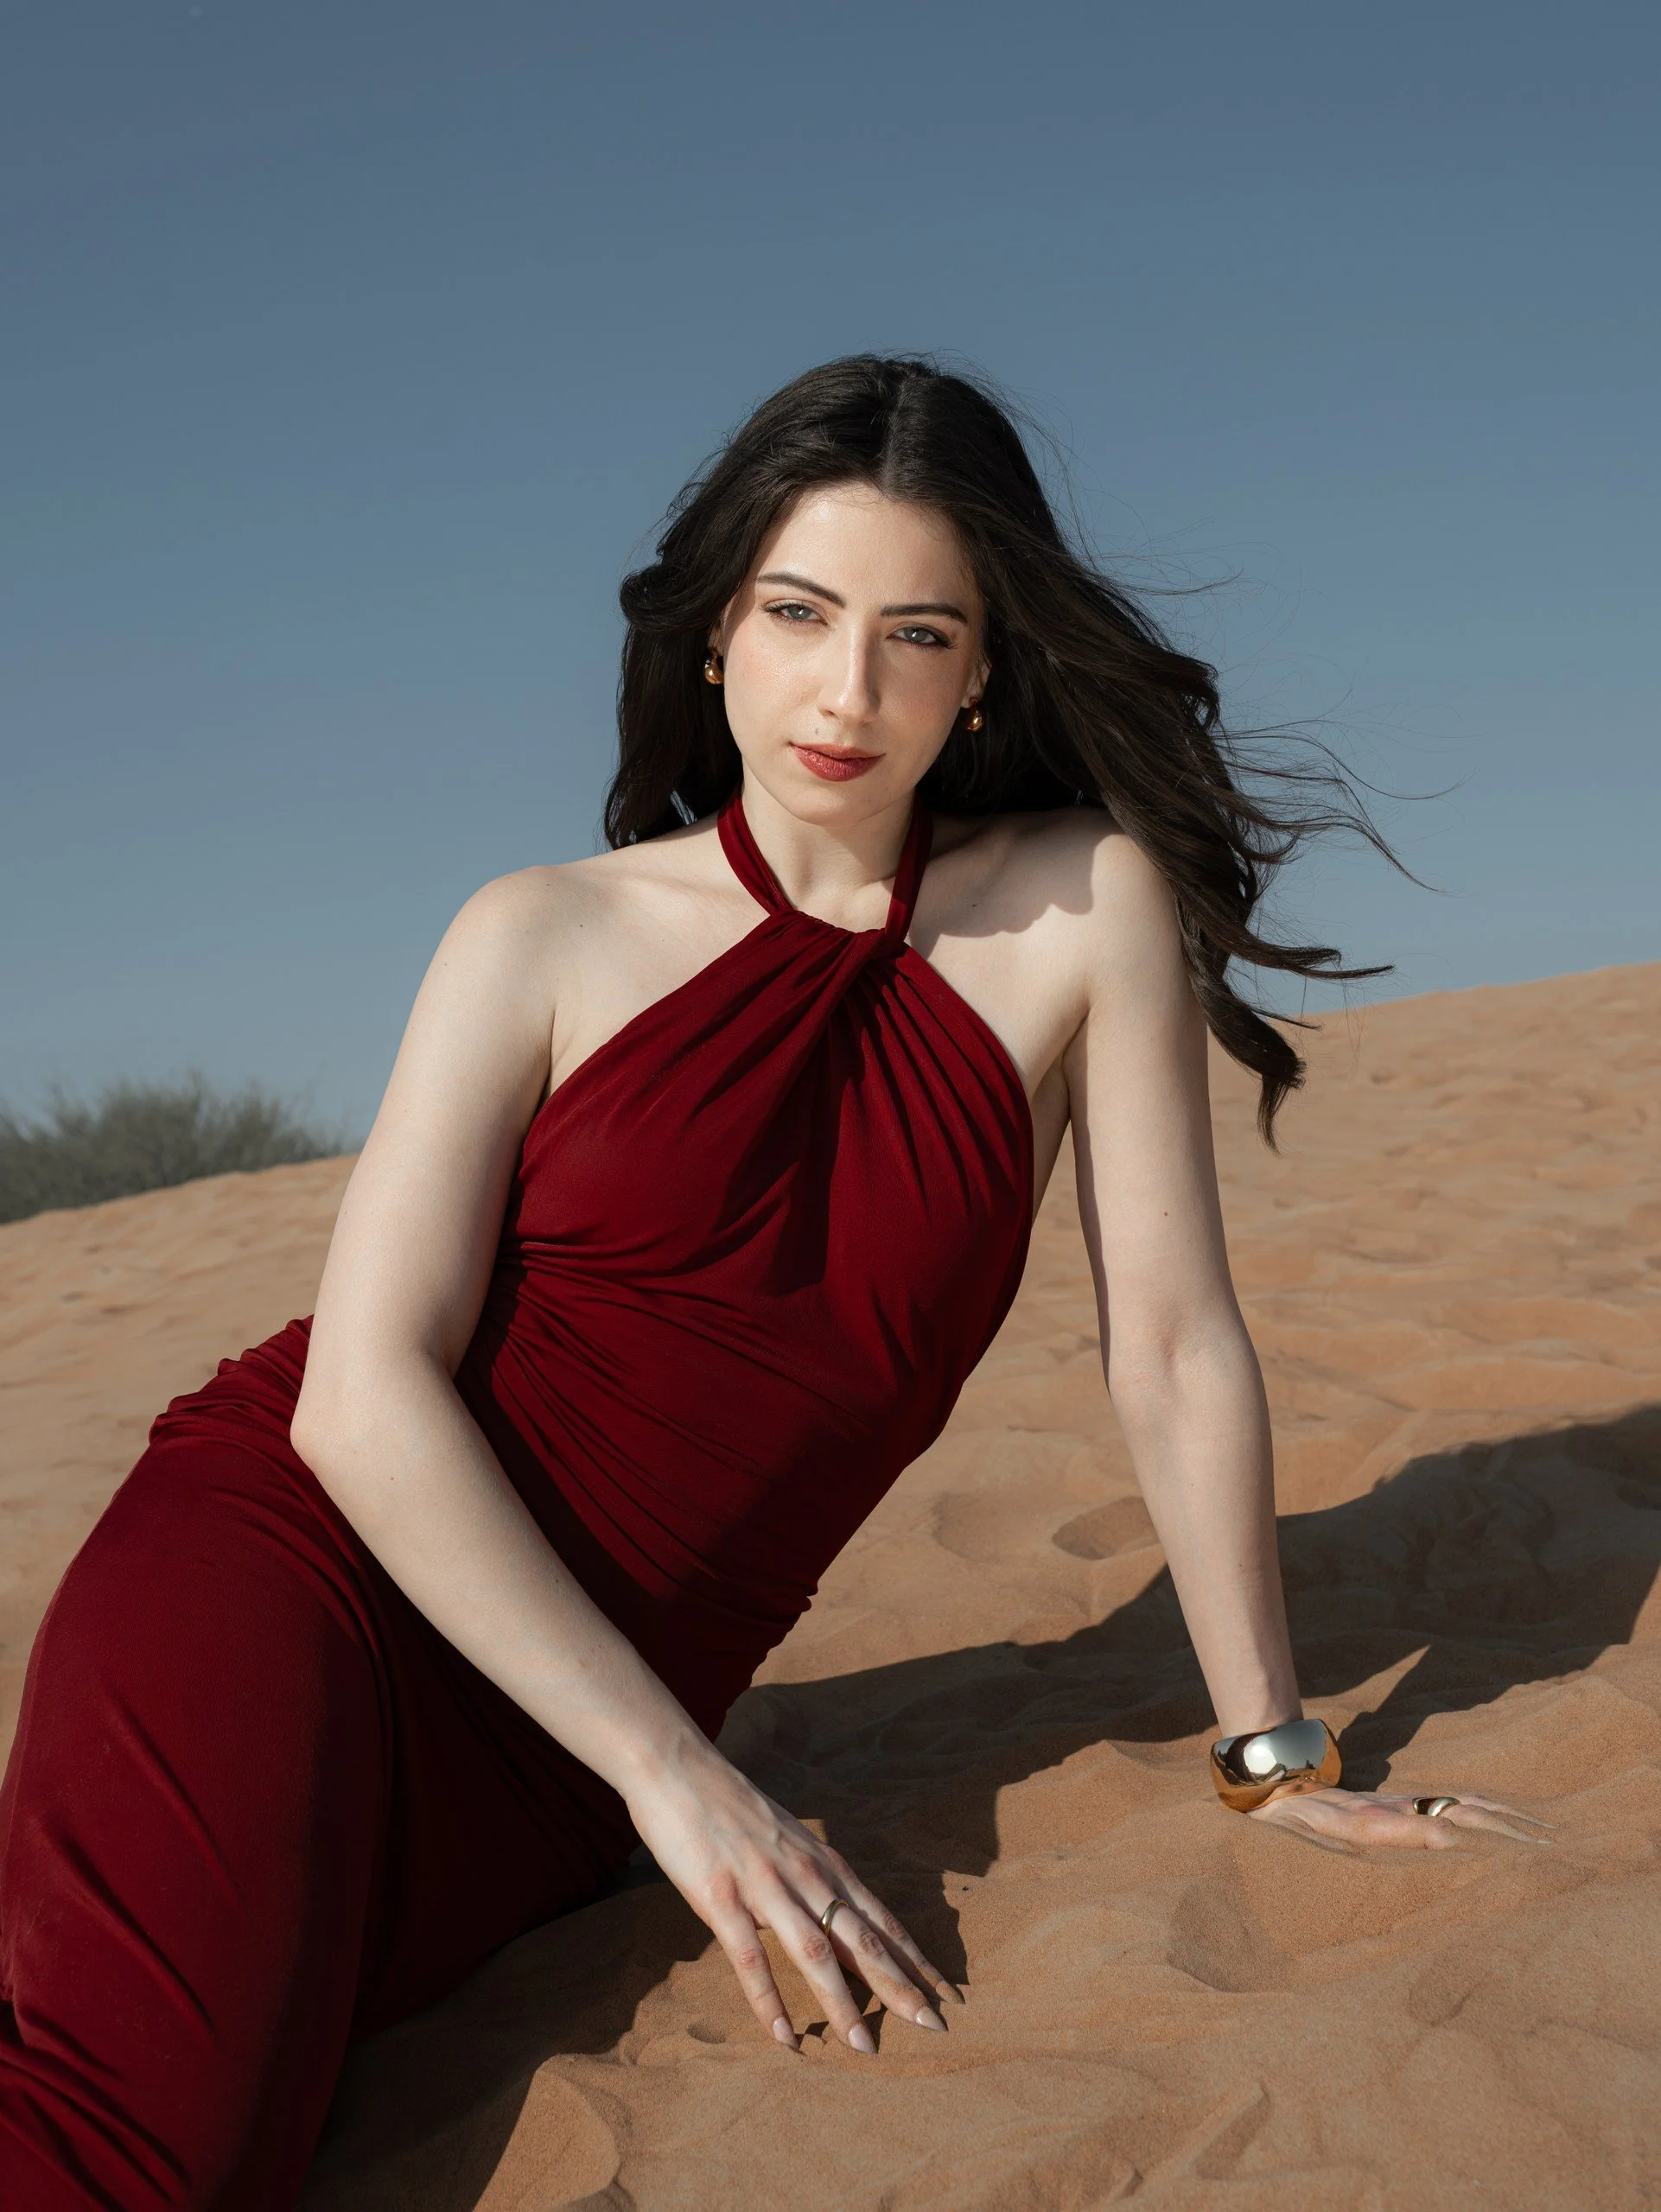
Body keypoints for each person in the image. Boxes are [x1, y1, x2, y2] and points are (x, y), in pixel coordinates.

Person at [0, 356, 1549, 2211]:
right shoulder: (539, 931)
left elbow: (1169, 1341)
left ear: (984, 673)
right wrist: (676, 1776)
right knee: (145, 2150)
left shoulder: (1080, 907)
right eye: (800, 614)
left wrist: (1272, 1756)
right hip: (307, 1576)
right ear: (717, 627)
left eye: (916, 635)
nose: (847, 692)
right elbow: (359, 1391)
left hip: (558, 1762)